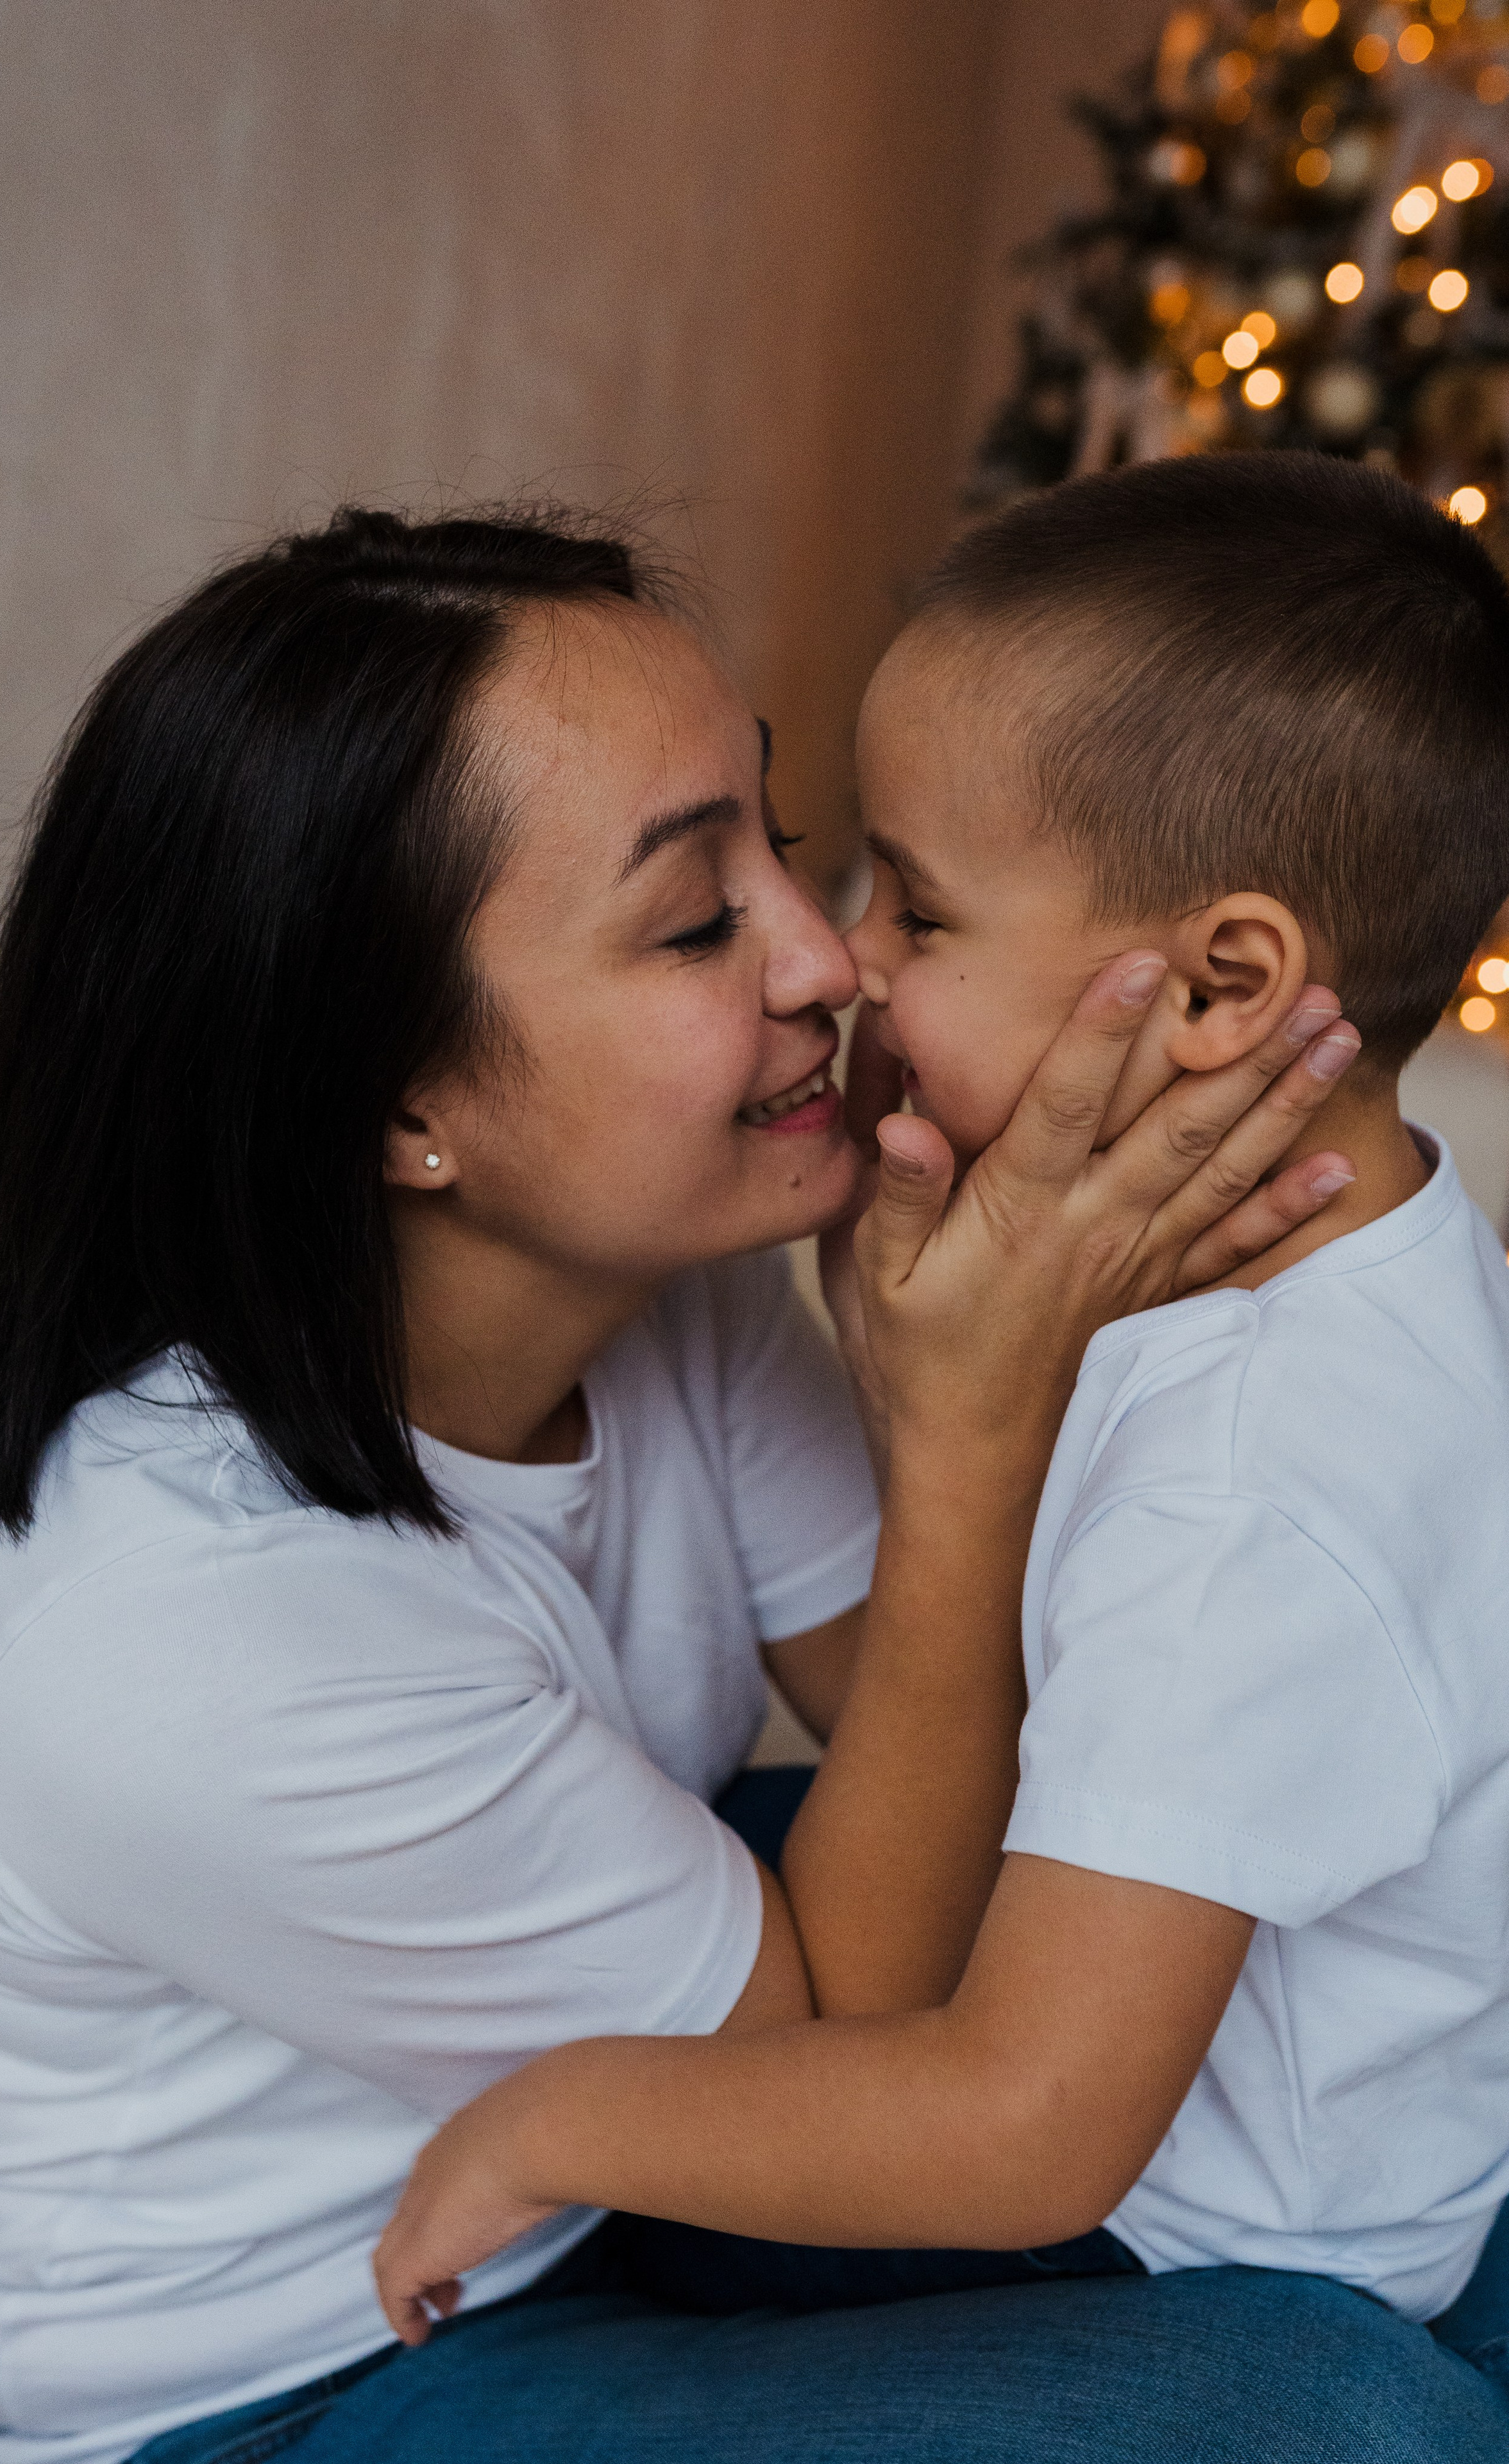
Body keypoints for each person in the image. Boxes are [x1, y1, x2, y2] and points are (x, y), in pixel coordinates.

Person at [0, 499, 1433, 2464]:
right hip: (303, 2367)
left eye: (782, 843)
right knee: (1330, 2414)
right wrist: (966, 1425)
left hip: (641, 2113)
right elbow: (849, 2026)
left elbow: (976, 1745)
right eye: (698, 921)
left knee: (1372, 2031)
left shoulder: (650, 1288)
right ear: (400, 1105)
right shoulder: (175, 1633)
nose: (827, 958)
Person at [372, 457, 1509, 2440]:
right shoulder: (1378, 1255)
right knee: (707, 1871)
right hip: (1161, 2095)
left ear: (1225, 990)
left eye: (920, 896)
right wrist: (934, 1389)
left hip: (1167, 2227)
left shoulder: (1258, 1480)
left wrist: (561, 2119)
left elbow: (1029, 2126)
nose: (845, 956)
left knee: (619, 2098)